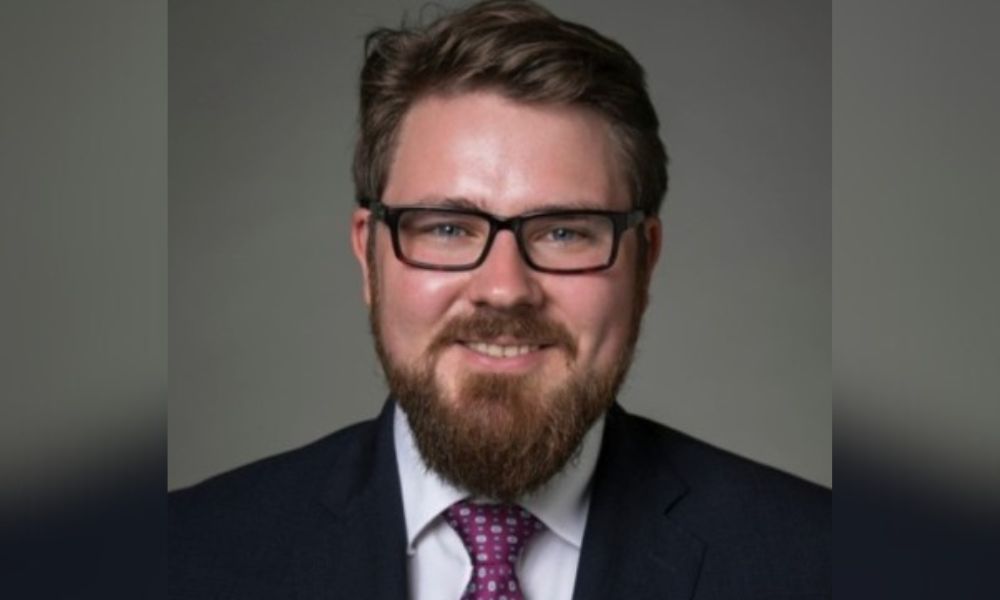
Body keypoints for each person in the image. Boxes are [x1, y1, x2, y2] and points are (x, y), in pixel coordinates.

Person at [169, 1, 830, 598]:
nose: (505, 288)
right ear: (370, 255)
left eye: (565, 232)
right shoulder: (183, 557)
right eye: (448, 229)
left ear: (645, 262)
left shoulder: (817, 562)